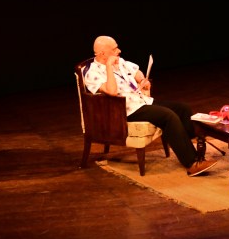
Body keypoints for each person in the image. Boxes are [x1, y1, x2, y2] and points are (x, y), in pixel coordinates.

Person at [84, 35, 218, 176]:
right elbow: (111, 91)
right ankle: (192, 163)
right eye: (114, 49)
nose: (119, 51)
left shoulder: (120, 62)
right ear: (103, 53)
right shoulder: (92, 73)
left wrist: (142, 80)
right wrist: (108, 67)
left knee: (182, 109)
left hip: (141, 101)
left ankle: (185, 145)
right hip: (125, 110)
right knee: (168, 116)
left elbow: (136, 71)